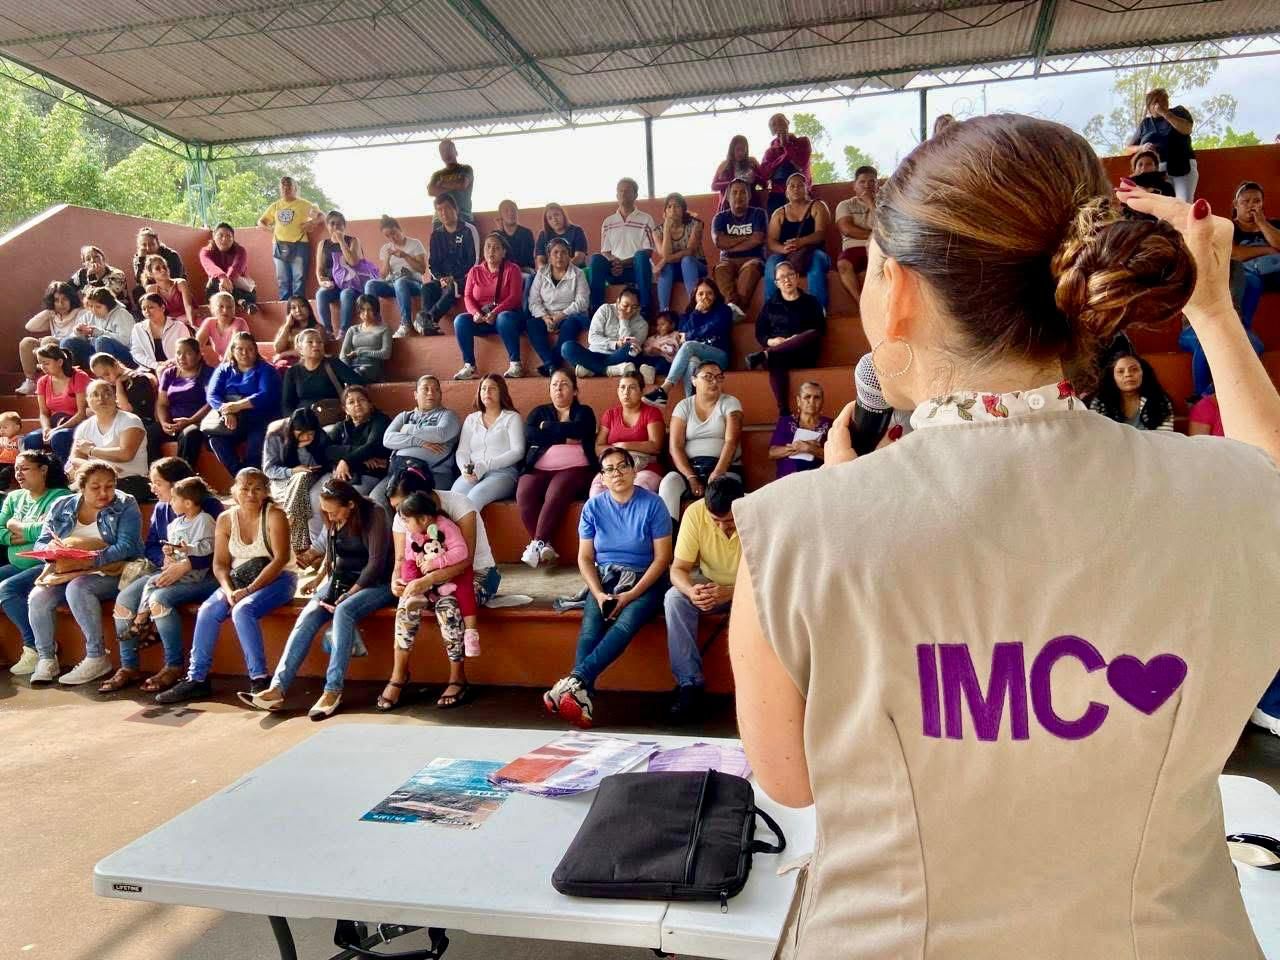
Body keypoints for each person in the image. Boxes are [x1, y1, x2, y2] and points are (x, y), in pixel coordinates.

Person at [730, 113, 1280, 959]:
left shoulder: (791, 530)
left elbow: (789, 778)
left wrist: (841, 513)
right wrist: (1211, 308)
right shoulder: (1231, 494)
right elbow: (1267, 479)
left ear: (898, 290)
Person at [542, 446, 672, 728]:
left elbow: (663, 559)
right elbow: (585, 558)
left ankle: (573, 681)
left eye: (623, 466)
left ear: (634, 470)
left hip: (646, 578)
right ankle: (581, 698)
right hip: (605, 578)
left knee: (625, 624)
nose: (617, 473)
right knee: (590, 629)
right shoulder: (593, 507)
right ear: (602, 477)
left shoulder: (654, 504)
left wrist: (630, 595)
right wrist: (599, 593)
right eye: (610, 469)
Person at [243, 478, 394, 720]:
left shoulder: (374, 514)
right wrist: (318, 577)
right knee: (309, 614)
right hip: (341, 581)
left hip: (376, 583)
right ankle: (277, 688)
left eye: (333, 512)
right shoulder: (332, 517)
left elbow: (376, 564)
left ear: (351, 504)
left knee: (344, 610)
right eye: (325, 512)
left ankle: (332, 690)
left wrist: (350, 593)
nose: (329, 517)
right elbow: (331, 551)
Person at [155, 467, 295, 705]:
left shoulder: (274, 515)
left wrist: (248, 591)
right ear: (234, 490)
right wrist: (229, 591)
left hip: (279, 578)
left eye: (257, 489)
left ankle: (259, 680)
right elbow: (220, 564)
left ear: (265, 492)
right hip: (239, 580)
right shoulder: (226, 518)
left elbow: (280, 560)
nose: (250, 494)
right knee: (208, 610)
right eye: (245, 488)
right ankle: (196, 679)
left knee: (243, 609)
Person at [382, 467, 502, 710]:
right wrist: (397, 580)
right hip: (428, 578)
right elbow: (401, 560)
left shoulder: (459, 504)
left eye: (401, 506)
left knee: (447, 605)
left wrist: (427, 581)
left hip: (475, 575)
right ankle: (399, 675)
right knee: (406, 604)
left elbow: (465, 560)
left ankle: (458, 677)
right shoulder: (404, 515)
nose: (398, 514)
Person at [101, 465, 223, 694]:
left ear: (177, 486)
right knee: (124, 601)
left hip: (205, 573)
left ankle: (173, 666)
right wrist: (165, 559)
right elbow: (151, 546)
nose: (152, 488)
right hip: (168, 570)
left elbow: (219, 547)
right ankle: (129, 667)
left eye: (157, 483)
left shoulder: (208, 508)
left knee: (159, 599)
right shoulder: (161, 508)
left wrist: (188, 563)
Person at [27, 459, 143, 686]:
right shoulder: (61, 505)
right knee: (38, 596)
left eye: (110, 486)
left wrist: (88, 559)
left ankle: (96, 657)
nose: (104, 493)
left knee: (78, 587)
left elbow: (127, 546)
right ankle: (46, 658)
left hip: (114, 569)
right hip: (68, 569)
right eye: (95, 487)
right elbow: (41, 543)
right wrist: (50, 551)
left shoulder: (126, 503)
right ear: (81, 487)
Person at [664, 475, 744, 721]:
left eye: (729, 521)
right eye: (715, 521)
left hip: (752, 592)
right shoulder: (695, 513)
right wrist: (692, 591)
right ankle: (689, 684)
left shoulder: (758, 512)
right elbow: (678, 569)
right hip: (712, 587)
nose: (722, 527)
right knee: (674, 598)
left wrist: (732, 592)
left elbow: (771, 577)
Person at [516, 369, 597, 568]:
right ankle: (545, 545)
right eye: (554, 385)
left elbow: (581, 430)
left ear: (575, 390)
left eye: (564, 384)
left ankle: (537, 543)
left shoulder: (584, 411)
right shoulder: (538, 412)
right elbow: (530, 434)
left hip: (576, 469)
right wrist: (564, 437)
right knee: (524, 492)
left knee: (557, 490)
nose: (558, 389)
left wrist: (547, 427)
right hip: (538, 468)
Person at [0, 451, 70, 676]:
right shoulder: (14, 497)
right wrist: (23, 534)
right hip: (17, 564)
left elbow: (50, 531)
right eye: (16, 469)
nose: (18, 474)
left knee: (7, 589)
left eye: (25, 468)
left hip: (45, 564)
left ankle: (34, 648)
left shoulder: (61, 497)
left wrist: (16, 526)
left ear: (43, 470)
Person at [658, 360, 742, 521]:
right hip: (690, 469)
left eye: (719, 377)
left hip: (724, 469)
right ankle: (670, 532)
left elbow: (731, 441)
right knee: (669, 482)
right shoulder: (683, 406)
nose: (714, 381)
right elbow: (675, 446)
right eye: (708, 377)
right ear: (694, 380)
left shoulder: (730, 403)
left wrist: (718, 472)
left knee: (722, 492)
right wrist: (691, 477)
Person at [749, 259, 828, 416]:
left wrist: (795, 340)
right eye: (781, 277)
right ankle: (783, 411)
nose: (786, 280)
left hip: (805, 352)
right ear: (776, 283)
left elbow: (820, 330)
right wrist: (771, 341)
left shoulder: (811, 302)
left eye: (790, 275)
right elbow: (760, 332)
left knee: (809, 334)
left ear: (797, 277)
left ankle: (766, 354)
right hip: (781, 356)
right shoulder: (770, 305)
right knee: (776, 359)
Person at [643, 279, 734, 406]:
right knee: (692, 362)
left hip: (719, 357)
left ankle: (664, 389)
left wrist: (690, 335)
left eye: (709, 293)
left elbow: (714, 327)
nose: (705, 297)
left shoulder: (724, 310)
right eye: (700, 294)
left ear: (715, 295)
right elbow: (682, 335)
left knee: (689, 346)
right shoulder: (688, 315)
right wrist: (696, 314)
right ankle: (692, 405)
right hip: (698, 359)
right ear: (694, 296)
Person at [453, 232, 527, 381]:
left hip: (507, 319)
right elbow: (467, 296)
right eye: (488, 247)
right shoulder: (475, 271)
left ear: (504, 252)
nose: (491, 251)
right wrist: (475, 313)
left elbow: (514, 297)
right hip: (483, 319)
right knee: (460, 320)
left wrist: (495, 312)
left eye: (496, 248)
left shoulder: (512, 269)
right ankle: (469, 366)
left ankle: (516, 364)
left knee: (504, 318)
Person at [206, 333, 282, 476]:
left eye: (249, 349)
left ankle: (252, 476)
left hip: (260, 419)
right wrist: (226, 411)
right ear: (233, 350)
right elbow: (212, 395)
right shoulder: (224, 369)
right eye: (240, 349)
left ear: (256, 350)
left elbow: (266, 395)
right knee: (216, 439)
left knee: (256, 442)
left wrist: (238, 406)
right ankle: (240, 476)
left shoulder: (266, 369)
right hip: (233, 419)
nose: (244, 353)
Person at [376, 375, 461, 498]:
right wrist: (419, 442)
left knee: (416, 502)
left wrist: (408, 429)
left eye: (436, 389)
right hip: (399, 471)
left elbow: (440, 434)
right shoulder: (405, 416)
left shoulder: (448, 415)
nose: (431, 393)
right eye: (425, 389)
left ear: (440, 394)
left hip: (434, 473)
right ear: (415, 394)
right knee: (377, 499)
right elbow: (388, 439)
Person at [66, 380, 152, 501]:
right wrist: (104, 468)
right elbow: (75, 459)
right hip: (96, 481)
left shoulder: (130, 420)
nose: (101, 398)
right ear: (87, 400)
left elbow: (126, 454)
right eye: (95, 394)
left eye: (107, 393)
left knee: (95, 493)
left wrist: (91, 450)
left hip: (130, 480)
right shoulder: (84, 427)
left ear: (115, 397)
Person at [452, 374, 523, 510]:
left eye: (492, 388)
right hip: (473, 473)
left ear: (501, 392)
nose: (487, 392)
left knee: (475, 496)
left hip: (503, 473)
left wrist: (485, 465)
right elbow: (462, 451)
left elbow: (518, 451)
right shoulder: (471, 419)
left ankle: (468, 525)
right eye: (483, 389)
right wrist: (465, 470)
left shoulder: (512, 417)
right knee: (454, 498)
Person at [263, 407, 329, 553]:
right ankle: (300, 541)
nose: (305, 437)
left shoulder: (320, 436)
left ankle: (291, 521)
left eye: (310, 434)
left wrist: (301, 449)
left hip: (310, 477)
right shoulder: (275, 434)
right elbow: (269, 470)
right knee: (300, 480)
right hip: (282, 480)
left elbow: (319, 465)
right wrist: (292, 471)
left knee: (302, 477)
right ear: (292, 428)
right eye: (301, 433)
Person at [589, 370, 665, 497]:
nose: (626, 392)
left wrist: (624, 446)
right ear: (618, 391)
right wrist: (618, 450)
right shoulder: (610, 415)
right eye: (622, 387)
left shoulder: (652, 413)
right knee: (597, 490)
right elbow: (598, 448)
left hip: (645, 467)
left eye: (632, 388)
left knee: (637, 491)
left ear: (642, 391)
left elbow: (655, 446)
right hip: (614, 467)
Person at [415, 194, 481, 336]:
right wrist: (440, 279)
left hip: (464, 279)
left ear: (455, 209)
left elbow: (474, 261)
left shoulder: (469, 230)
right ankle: (430, 326)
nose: (443, 213)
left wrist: (453, 278)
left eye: (446, 208)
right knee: (426, 288)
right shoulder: (436, 235)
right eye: (439, 210)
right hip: (442, 280)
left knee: (453, 286)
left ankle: (427, 320)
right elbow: (432, 264)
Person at [764, 172, 832, 310]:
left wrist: (801, 242)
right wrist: (783, 249)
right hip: (787, 255)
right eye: (792, 186)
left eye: (800, 185)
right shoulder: (779, 213)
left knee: (816, 264)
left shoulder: (817, 206)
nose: (796, 189)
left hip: (814, 252)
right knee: (772, 263)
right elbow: (771, 241)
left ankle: (818, 311)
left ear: (807, 188)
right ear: (786, 191)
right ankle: (772, 310)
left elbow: (821, 234)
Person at [588, 178, 656, 315]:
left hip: (637, 270)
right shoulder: (608, 222)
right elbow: (606, 251)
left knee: (641, 256)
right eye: (620, 191)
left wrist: (622, 263)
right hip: (615, 271)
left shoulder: (646, 219)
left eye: (627, 191)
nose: (623, 194)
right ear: (616, 195)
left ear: (635, 195)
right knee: (596, 259)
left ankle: (646, 309)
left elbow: (648, 251)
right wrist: (614, 263)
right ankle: (595, 310)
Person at [527, 236, 591, 377]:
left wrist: (560, 316)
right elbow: (534, 301)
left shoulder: (578, 274)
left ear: (569, 255)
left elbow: (582, 302)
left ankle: (552, 364)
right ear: (549, 256)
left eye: (563, 252)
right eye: (555, 252)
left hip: (570, 315)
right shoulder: (541, 273)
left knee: (571, 323)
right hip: (547, 316)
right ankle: (551, 364)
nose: (559, 256)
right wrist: (545, 317)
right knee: (532, 324)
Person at [18, 281, 92, 395]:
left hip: (71, 354)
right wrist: (48, 311)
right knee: (26, 342)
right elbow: (30, 326)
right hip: (52, 350)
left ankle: (48, 381)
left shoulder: (81, 313)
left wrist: (50, 341)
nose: (61, 304)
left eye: (64, 299)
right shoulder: (52, 315)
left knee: (48, 341)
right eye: (56, 300)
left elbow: (78, 337)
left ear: (71, 299)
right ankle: (30, 381)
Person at [563, 285, 652, 378]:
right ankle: (609, 370)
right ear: (618, 302)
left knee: (630, 348)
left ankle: (591, 369)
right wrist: (615, 344)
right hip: (594, 354)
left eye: (634, 307)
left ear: (639, 307)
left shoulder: (642, 324)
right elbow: (592, 338)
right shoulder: (605, 309)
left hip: (617, 357)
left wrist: (624, 320)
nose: (629, 310)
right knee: (567, 348)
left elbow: (633, 348)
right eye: (625, 305)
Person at [1126, 87, 1197, 201]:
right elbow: (1128, 148)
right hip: (1157, 170)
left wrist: (1165, 113)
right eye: (1156, 101)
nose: (1161, 104)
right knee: (1160, 202)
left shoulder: (1178, 111)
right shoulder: (1145, 124)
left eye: (1164, 99)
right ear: (1149, 107)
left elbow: (1187, 129)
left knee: (1183, 202)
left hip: (1182, 165)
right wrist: (1142, 147)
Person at [258, 176, 323, 300]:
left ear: (295, 188)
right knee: (282, 279)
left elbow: (321, 216)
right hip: (279, 245)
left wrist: (311, 223)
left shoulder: (304, 204)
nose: (285, 189)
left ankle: (299, 306)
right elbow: (261, 222)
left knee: (299, 278)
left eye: (289, 186)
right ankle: (285, 306)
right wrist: (271, 229)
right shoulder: (275, 206)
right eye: (283, 186)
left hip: (300, 245)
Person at [88, 352, 161, 462]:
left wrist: (119, 385)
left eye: (107, 374)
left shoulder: (138, 379)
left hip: (144, 422)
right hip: (119, 424)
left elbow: (127, 410)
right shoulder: (108, 386)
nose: (106, 379)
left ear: (115, 365)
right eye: (101, 377)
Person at [21, 344, 89, 462]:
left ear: (60, 362)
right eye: (40, 364)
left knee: (59, 437)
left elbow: (81, 413)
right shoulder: (42, 381)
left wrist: (57, 429)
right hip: (55, 423)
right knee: (31, 439)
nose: (43, 367)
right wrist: (46, 428)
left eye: (46, 363)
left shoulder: (78, 377)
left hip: (77, 424)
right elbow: (43, 412)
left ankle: (65, 471)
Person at [315, 211, 376, 338]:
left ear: (344, 226)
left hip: (351, 284)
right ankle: (328, 331)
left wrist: (341, 241)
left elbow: (353, 262)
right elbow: (319, 269)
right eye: (332, 223)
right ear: (327, 226)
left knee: (346, 294)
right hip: (332, 285)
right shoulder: (323, 244)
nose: (336, 227)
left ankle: (344, 331)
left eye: (339, 224)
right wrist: (322, 282)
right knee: (321, 294)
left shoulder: (353, 241)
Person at [711, 179, 769, 314]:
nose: (738, 196)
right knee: (720, 269)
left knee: (750, 269)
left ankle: (736, 309)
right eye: (735, 192)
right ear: (728, 197)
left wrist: (730, 245)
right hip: (727, 261)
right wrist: (746, 237)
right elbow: (719, 242)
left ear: (749, 196)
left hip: (753, 258)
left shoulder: (759, 213)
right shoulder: (720, 217)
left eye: (743, 192)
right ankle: (732, 306)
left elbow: (758, 239)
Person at [323, 385, 391, 498]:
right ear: (345, 409)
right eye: (351, 402)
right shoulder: (341, 426)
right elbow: (327, 450)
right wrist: (359, 456)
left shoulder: (380, 421)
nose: (357, 404)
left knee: (343, 499)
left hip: (369, 473)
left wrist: (346, 460)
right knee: (318, 498)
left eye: (361, 400)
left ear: (370, 404)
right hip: (341, 472)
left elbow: (372, 446)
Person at [364, 215, 429, 330]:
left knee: (400, 282)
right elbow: (383, 275)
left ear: (400, 229)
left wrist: (405, 256)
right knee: (370, 284)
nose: (392, 238)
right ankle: (374, 322)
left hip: (413, 284)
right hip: (392, 284)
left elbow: (422, 269)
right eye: (387, 236)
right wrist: (387, 258)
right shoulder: (385, 248)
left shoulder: (415, 244)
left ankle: (406, 323)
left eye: (393, 233)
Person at [280, 327, 362, 418]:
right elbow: (287, 404)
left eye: (319, 342)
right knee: (273, 426)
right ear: (300, 348)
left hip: (331, 417)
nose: (316, 345)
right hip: (303, 419)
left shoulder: (333, 363)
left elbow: (358, 383)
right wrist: (293, 420)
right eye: (310, 342)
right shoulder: (292, 372)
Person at [156, 337, 214, 465]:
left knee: (189, 434)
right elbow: (162, 403)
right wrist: (164, 423)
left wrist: (191, 420)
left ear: (198, 355)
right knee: (150, 432)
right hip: (173, 423)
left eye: (188, 353)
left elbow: (211, 403)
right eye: (178, 353)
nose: (181, 358)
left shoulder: (208, 373)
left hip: (198, 422)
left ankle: (182, 475)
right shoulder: (169, 373)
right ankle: (156, 473)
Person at [1231, 181, 1280, 329]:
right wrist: (1268, 250)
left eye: (1257, 201)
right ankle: (1242, 329)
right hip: (1247, 274)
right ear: (1235, 204)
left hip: (1275, 273)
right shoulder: (1229, 227)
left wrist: (1262, 223)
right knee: (1247, 277)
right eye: (1245, 201)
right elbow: (1234, 254)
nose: (1251, 205)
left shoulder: (1274, 224)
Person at [1088, 353, 1175, 430]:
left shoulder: (1160, 401)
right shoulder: (1100, 403)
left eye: (1134, 369)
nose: (1128, 374)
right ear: (1112, 377)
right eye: (1120, 371)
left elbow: (1164, 438)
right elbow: (1098, 436)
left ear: (1143, 373)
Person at [653, 193, 706, 313]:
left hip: (696, 266)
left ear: (683, 209)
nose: (673, 210)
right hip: (674, 270)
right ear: (665, 212)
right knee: (667, 267)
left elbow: (690, 251)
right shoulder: (657, 231)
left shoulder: (696, 224)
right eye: (669, 207)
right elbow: (665, 255)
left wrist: (663, 261)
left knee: (686, 260)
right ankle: (664, 312)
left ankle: (695, 307)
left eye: (677, 206)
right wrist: (666, 229)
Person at [768, 380, 832, 478]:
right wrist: (797, 446)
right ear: (799, 401)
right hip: (788, 478)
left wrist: (809, 448)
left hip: (818, 478)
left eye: (817, 397)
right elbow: (772, 453)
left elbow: (834, 456)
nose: (812, 401)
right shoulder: (786, 422)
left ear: (822, 401)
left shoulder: (830, 425)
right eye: (807, 397)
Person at [834, 165, 878, 308]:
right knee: (843, 264)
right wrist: (877, 235)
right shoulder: (845, 205)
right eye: (862, 182)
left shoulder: (885, 205)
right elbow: (847, 229)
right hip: (854, 247)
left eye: (872, 182)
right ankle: (861, 304)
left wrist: (871, 203)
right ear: (854, 186)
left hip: (879, 247)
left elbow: (888, 227)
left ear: (877, 185)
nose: (867, 185)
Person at [64, 287, 136, 371]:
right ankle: (70, 374)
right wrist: (78, 332)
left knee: (102, 341)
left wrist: (97, 332)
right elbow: (75, 337)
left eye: (98, 307)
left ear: (108, 305)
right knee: (68, 341)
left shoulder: (121, 314)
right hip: (96, 354)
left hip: (123, 356)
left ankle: (106, 374)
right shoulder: (88, 315)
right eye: (91, 306)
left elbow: (126, 341)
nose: (93, 310)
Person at [758, 113, 812, 215]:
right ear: (772, 130)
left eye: (781, 121)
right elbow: (764, 175)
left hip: (801, 192)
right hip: (778, 195)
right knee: (773, 220)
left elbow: (801, 165)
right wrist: (782, 159)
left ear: (788, 122)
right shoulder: (770, 152)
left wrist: (786, 145)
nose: (779, 125)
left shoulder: (802, 142)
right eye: (774, 124)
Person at [199, 222, 258, 312]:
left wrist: (227, 280)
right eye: (220, 235)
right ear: (214, 236)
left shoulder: (240, 251)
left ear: (233, 239)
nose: (224, 239)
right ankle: (242, 302)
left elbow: (236, 268)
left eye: (228, 236)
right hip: (217, 288)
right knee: (214, 281)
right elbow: (210, 266)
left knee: (248, 291)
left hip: (239, 286)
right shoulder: (206, 251)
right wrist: (222, 277)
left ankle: (241, 301)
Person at [130, 292, 192, 373]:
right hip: (149, 369)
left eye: (151, 307)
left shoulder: (179, 326)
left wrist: (169, 364)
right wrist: (155, 365)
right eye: (144, 309)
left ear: (162, 308)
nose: (147, 311)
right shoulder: (138, 328)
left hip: (176, 367)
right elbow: (136, 353)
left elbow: (187, 350)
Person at [339, 294, 392, 381]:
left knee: (358, 373)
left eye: (370, 310)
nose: (366, 314)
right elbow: (343, 355)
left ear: (376, 310)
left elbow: (386, 354)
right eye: (363, 310)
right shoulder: (353, 329)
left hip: (372, 366)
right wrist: (345, 370)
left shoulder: (384, 329)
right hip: (353, 365)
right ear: (358, 311)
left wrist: (360, 352)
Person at [130, 228, 186, 303]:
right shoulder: (138, 258)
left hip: (172, 284)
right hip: (151, 287)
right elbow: (139, 281)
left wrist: (159, 286)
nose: (148, 248)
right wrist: (141, 260)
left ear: (158, 243)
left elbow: (176, 276)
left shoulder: (171, 255)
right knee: (138, 291)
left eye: (152, 244)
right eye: (144, 245)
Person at [427, 138, 475, 223]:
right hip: (440, 218)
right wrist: (454, 185)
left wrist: (441, 184)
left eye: (449, 149)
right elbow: (431, 191)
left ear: (456, 152)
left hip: (463, 216)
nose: (446, 153)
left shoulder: (465, 169)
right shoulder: (437, 174)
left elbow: (462, 184)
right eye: (443, 151)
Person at [194, 291, 250, 364]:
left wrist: (221, 368)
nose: (225, 310)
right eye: (221, 306)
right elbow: (196, 346)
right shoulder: (209, 322)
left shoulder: (239, 323)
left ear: (234, 309)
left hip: (244, 364)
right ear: (213, 308)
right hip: (225, 366)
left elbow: (233, 351)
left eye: (229, 307)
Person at [711, 134, 764, 210]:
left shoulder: (752, 162)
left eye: (743, 150)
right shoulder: (725, 164)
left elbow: (764, 183)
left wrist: (754, 177)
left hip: (751, 205)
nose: (740, 153)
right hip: (729, 206)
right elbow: (714, 186)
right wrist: (731, 183)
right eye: (738, 149)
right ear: (732, 150)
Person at [271, 296, 325, 369]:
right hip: (287, 363)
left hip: (308, 363)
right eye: (293, 308)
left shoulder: (317, 329)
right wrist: (287, 326)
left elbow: (311, 351)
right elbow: (278, 349)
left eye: (302, 306)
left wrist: (284, 354)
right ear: (289, 312)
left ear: (308, 309)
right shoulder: (286, 328)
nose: (298, 310)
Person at [143, 254, 195, 329]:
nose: (163, 270)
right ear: (151, 274)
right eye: (158, 268)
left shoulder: (180, 283)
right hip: (169, 325)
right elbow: (155, 314)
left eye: (165, 267)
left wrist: (192, 325)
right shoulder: (151, 289)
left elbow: (188, 307)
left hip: (188, 319)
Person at [534, 203, 590, 269]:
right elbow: (540, 260)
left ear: (563, 215)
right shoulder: (543, 235)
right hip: (550, 272)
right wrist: (545, 271)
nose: (554, 219)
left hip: (575, 269)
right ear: (547, 222)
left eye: (556, 215)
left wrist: (561, 270)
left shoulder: (577, 231)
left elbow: (579, 257)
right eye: (550, 218)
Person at [496, 199, 536, 274]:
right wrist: (500, 233)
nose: (511, 213)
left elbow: (527, 260)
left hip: (524, 270)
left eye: (513, 210)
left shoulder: (526, 233)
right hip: (503, 271)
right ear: (501, 215)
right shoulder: (496, 235)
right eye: (506, 211)